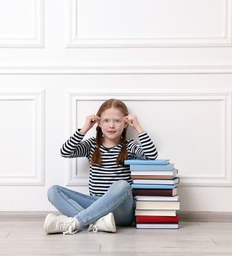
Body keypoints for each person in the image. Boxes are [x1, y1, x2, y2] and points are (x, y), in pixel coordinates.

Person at [44, 99, 158, 235]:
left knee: (122, 185)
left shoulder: (129, 146)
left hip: (121, 210)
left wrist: (138, 127)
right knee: (53, 191)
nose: (111, 125)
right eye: (106, 121)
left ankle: (76, 222)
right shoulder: (92, 145)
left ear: (125, 124)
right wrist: (85, 128)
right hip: (95, 205)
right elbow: (65, 152)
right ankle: (98, 223)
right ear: (99, 123)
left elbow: (151, 155)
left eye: (117, 121)